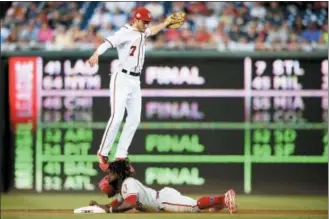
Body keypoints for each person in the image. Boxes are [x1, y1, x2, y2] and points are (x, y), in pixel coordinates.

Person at [87, 8, 178, 172]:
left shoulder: (143, 31)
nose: (146, 24)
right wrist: (96, 54)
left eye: (147, 22)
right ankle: (103, 152)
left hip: (135, 80)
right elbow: (108, 42)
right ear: (136, 19)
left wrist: (165, 23)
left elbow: (152, 30)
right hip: (121, 78)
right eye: (144, 21)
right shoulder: (124, 32)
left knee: (134, 119)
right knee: (116, 118)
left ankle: (121, 154)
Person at [74, 160, 238, 214]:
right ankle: (221, 204)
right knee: (195, 206)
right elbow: (112, 206)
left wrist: (111, 211)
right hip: (162, 198)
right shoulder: (123, 190)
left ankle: (223, 198)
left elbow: (130, 203)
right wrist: (98, 207)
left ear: (118, 176)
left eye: (110, 174)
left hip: (164, 201)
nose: (107, 178)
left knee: (195, 206)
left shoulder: (128, 184)